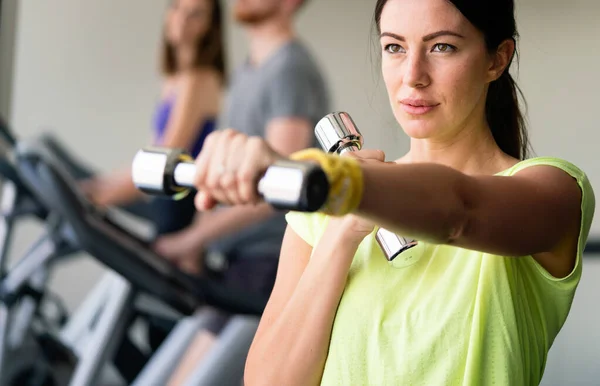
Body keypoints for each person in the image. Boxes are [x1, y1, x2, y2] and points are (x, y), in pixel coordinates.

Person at [183, 0, 596, 385]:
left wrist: (335, 183)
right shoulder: (330, 206)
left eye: (442, 47)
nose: (412, 74)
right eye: (395, 47)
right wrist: (340, 234)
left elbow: (458, 210)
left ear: (496, 59)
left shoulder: (554, 190)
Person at [153, 0, 329, 383]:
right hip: (235, 260)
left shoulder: (290, 69)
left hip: (266, 265)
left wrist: (191, 238)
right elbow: (217, 175)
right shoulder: (249, 69)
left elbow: (278, 186)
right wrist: (197, 239)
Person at [82, 0, 225, 268]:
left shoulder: (199, 79)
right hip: (163, 203)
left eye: (196, 14)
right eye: (176, 7)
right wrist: (97, 185)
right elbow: (149, 154)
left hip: (180, 210)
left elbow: (161, 160)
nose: (182, 19)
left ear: (210, 27)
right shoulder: (174, 79)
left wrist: (100, 196)